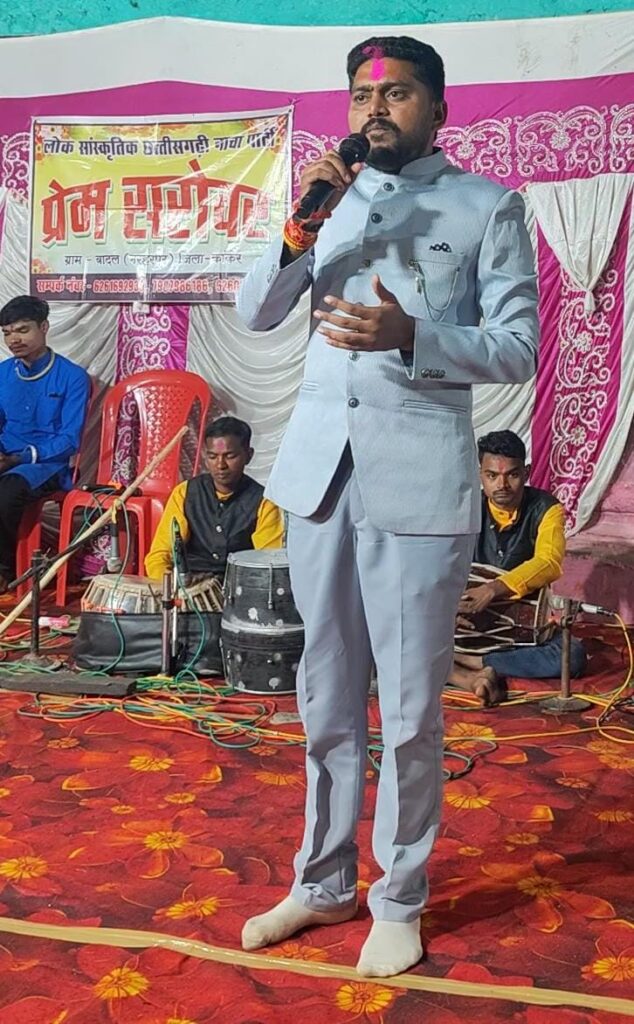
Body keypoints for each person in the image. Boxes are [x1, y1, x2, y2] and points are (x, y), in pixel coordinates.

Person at [236, 35, 539, 977]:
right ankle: (322, 881)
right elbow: (255, 313)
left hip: (416, 487)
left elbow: (518, 347)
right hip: (319, 480)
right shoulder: (326, 202)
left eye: (398, 93)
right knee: (324, 699)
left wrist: (416, 336)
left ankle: (399, 898)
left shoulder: (487, 206)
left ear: (437, 110)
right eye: (363, 95)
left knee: (408, 713)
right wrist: (300, 228)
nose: (376, 108)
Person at [449, 430, 587, 706]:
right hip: (462, 626)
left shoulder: (546, 509)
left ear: (526, 473)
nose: (502, 485)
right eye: (492, 476)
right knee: (391, 636)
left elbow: (548, 562)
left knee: (572, 656)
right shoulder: (465, 509)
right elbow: (439, 564)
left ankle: (469, 662)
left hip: (519, 634)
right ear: (479, 475)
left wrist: (493, 589)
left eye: (511, 475)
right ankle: (470, 674)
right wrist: (446, 608)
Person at [0, 295, 90, 593]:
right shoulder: (2, 373)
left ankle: (4, 569)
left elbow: (69, 440)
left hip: (45, 464)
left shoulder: (73, 377)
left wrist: (18, 459)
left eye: (22, 330)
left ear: (44, 327)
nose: (14, 339)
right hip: (5, 455)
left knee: (6, 493)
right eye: (7, 333)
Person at [145, 416, 284, 580]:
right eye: (212, 456)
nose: (220, 465)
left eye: (230, 456)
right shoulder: (185, 493)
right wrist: (170, 583)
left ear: (249, 455)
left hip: (238, 588)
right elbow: (159, 555)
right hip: (189, 585)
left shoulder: (263, 502)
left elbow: (269, 564)